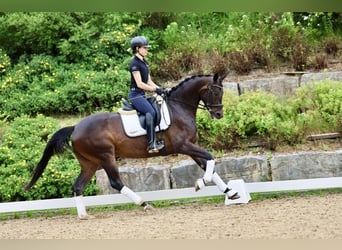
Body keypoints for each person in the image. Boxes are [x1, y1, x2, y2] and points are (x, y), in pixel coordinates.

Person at [128, 36, 165, 153]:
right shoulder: (134, 63)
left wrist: (161, 89)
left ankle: (157, 138)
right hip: (136, 95)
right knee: (151, 112)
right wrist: (154, 90)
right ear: (137, 48)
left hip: (142, 94)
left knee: (157, 108)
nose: (146, 50)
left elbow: (148, 81)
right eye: (144, 48)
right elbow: (139, 83)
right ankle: (151, 145)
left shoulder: (144, 62)